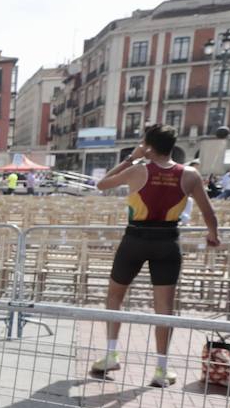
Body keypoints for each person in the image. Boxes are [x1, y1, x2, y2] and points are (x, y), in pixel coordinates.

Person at [89, 125, 220, 387]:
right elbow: (208, 212)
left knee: (115, 295)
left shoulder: (138, 169)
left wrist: (132, 156)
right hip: (167, 241)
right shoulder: (190, 174)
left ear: (148, 145)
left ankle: (111, 354)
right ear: (173, 144)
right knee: (164, 308)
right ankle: (161, 369)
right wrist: (213, 235)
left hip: (135, 238)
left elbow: (101, 184)